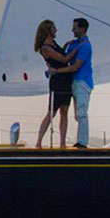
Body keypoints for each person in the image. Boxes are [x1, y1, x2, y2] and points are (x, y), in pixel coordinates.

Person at [33, 19, 76, 148]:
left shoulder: (53, 44)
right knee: (52, 111)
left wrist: (66, 46)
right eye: (53, 28)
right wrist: (78, 47)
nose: (56, 30)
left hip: (65, 78)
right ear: (48, 30)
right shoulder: (45, 48)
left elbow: (59, 55)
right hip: (58, 80)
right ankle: (38, 142)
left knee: (64, 111)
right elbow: (64, 59)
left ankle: (62, 143)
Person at [65, 17, 94, 148]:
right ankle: (80, 141)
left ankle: (82, 142)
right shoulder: (74, 44)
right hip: (74, 81)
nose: (72, 30)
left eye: (75, 27)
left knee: (81, 112)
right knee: (78, 114)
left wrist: (58, 71)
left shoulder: (86, 46)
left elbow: (76, 66)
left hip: (82, 81)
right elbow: (65, 58)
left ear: (82, 29)